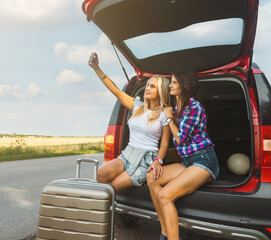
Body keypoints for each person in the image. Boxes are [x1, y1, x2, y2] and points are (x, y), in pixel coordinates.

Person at [146, 70, 220, 240]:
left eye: (174, 82)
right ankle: (165, 231)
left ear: (184, 86)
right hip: (188, 161)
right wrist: (158, 159)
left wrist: (170, 119)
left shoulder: (194, 107)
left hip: (204, 161)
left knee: (165, 195)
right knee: (151, 177)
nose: (170, 85)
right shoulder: (178, 106)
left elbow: (179, 139)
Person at [88, 52, 171, 193]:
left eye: (152, 87)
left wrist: (159, 161)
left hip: (147, 159)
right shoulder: (137, 106)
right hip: (128, 154)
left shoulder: (164, 114)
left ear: (161, 92)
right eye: (148, 85)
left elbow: (164, 143)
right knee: (99, 175)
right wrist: (96, 68)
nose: (147, 88)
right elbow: (115, 90)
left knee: (111, 189)